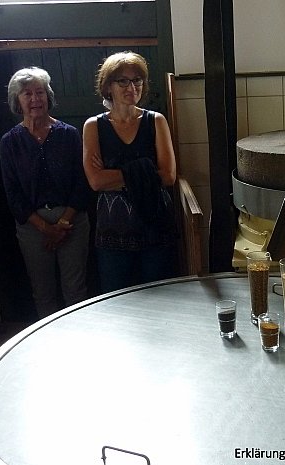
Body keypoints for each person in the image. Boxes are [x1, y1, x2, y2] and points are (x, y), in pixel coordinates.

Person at [83, 51, 177, 293]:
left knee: (161, 296)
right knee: (117, 301)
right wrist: (145, 170)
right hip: (113, 230)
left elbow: (168, 176)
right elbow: (95, 181)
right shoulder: (94, 126)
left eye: (137, 80)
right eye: (123, 81)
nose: (131, 87)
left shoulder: (156, 121)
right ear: (108, 86)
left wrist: (114, 174)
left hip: (155, 226)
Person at [0, 67, 90, 319]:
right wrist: (46, 229)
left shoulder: (69, 134)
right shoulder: (10, 141)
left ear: (47, 96)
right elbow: (13, 193)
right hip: (33, 228)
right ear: (17, 100)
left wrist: (61, 224)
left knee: (76, 291)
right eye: (27, 94)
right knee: (43, 293)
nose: (34, 99)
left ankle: (80, 337)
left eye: (39, 92)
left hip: (72, 222)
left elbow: (82, 182)